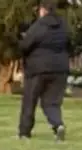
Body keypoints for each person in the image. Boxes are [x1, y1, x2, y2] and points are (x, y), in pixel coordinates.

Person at [17, 0, 70, 142]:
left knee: (30, 100)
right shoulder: (63, 26)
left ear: (42, 10)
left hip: (38, 69)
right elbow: (70, 44)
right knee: (52, 102)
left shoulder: (38, 26)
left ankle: (24, 133)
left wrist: (22, 41)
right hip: (60, 69)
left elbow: (25, 45)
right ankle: (57, 124)